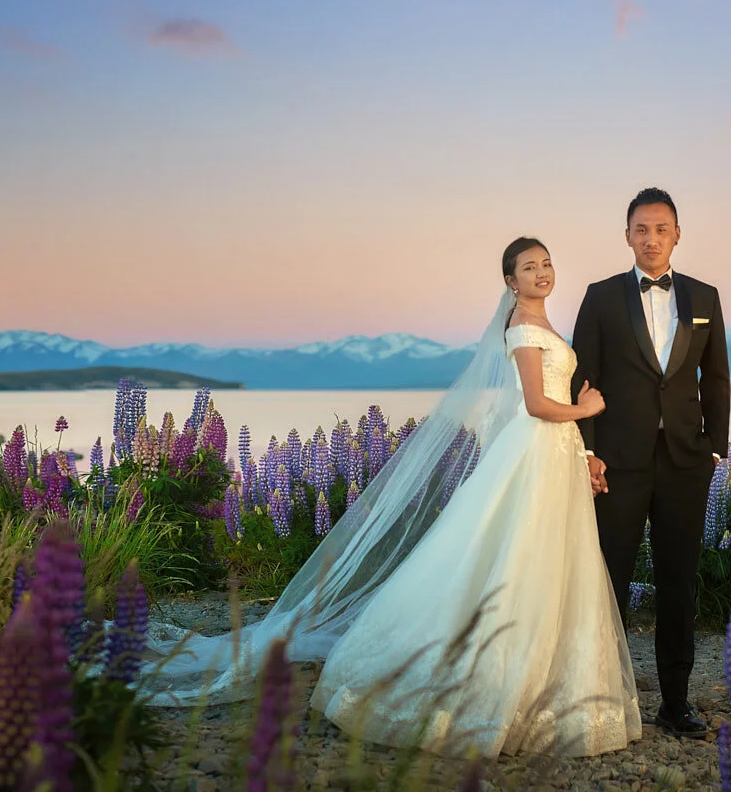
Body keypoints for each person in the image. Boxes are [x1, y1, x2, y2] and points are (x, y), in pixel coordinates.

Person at [139, 238, 643, 760]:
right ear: (510, 282)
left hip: (554, 455)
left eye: (546, 263)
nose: (541, 272)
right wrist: (588, 410)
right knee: (517, 561)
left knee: (551, 563)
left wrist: (585, 456)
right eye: (528, 267)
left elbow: (540, 404)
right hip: (534, 453)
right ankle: (495, 688)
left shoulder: (543, 325)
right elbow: (538, 404)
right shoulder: (521, 326)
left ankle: (554, 686)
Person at [570, 188, 731, 740]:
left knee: (678, 582)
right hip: (616, 462)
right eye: (641, 229)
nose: (651, 238)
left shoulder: (706, 296)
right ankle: (601, 698)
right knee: (607, 579)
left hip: (686, 462)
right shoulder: (600, 297)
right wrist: (588, 451)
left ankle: (676, 703)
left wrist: (715, 446)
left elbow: (718, 378)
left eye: (661, 229)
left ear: (677, 234)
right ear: (627, 236)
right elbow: (582, 378)